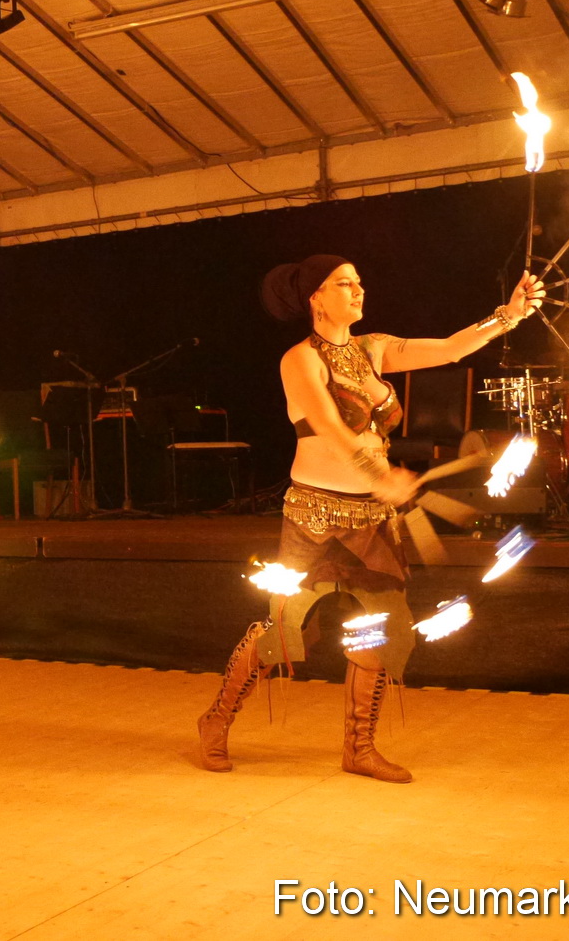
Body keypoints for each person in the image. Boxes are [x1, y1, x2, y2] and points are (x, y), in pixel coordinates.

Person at [196, 256, 544, 783]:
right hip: (315, 515)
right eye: (344, 283)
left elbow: (450, 348)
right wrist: (379, 475)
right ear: (316, 297)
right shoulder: (300, 361)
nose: (358, 290)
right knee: (288, 632)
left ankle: (359, 747)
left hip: (373, 518)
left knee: (384, 628)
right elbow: (332, 429)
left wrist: (509, 316)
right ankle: (216, 719)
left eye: (359, 282)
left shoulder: (373, 348)